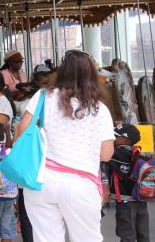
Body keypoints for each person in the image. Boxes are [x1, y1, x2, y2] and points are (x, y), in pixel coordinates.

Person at [18, 50, 115, 242]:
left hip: (41, 181)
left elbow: (22, 133)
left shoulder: (43, 96)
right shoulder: (99, 109)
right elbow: (106, 154)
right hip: (81, 185)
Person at [107, 124, 150, 242]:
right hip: (140, 198)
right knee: (143, 232)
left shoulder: (115, 154)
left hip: (125, 200)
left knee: (126, 233)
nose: (112, 138)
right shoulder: (137, 153)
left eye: (115, 136)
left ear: (126, 140)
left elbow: (101, 154)